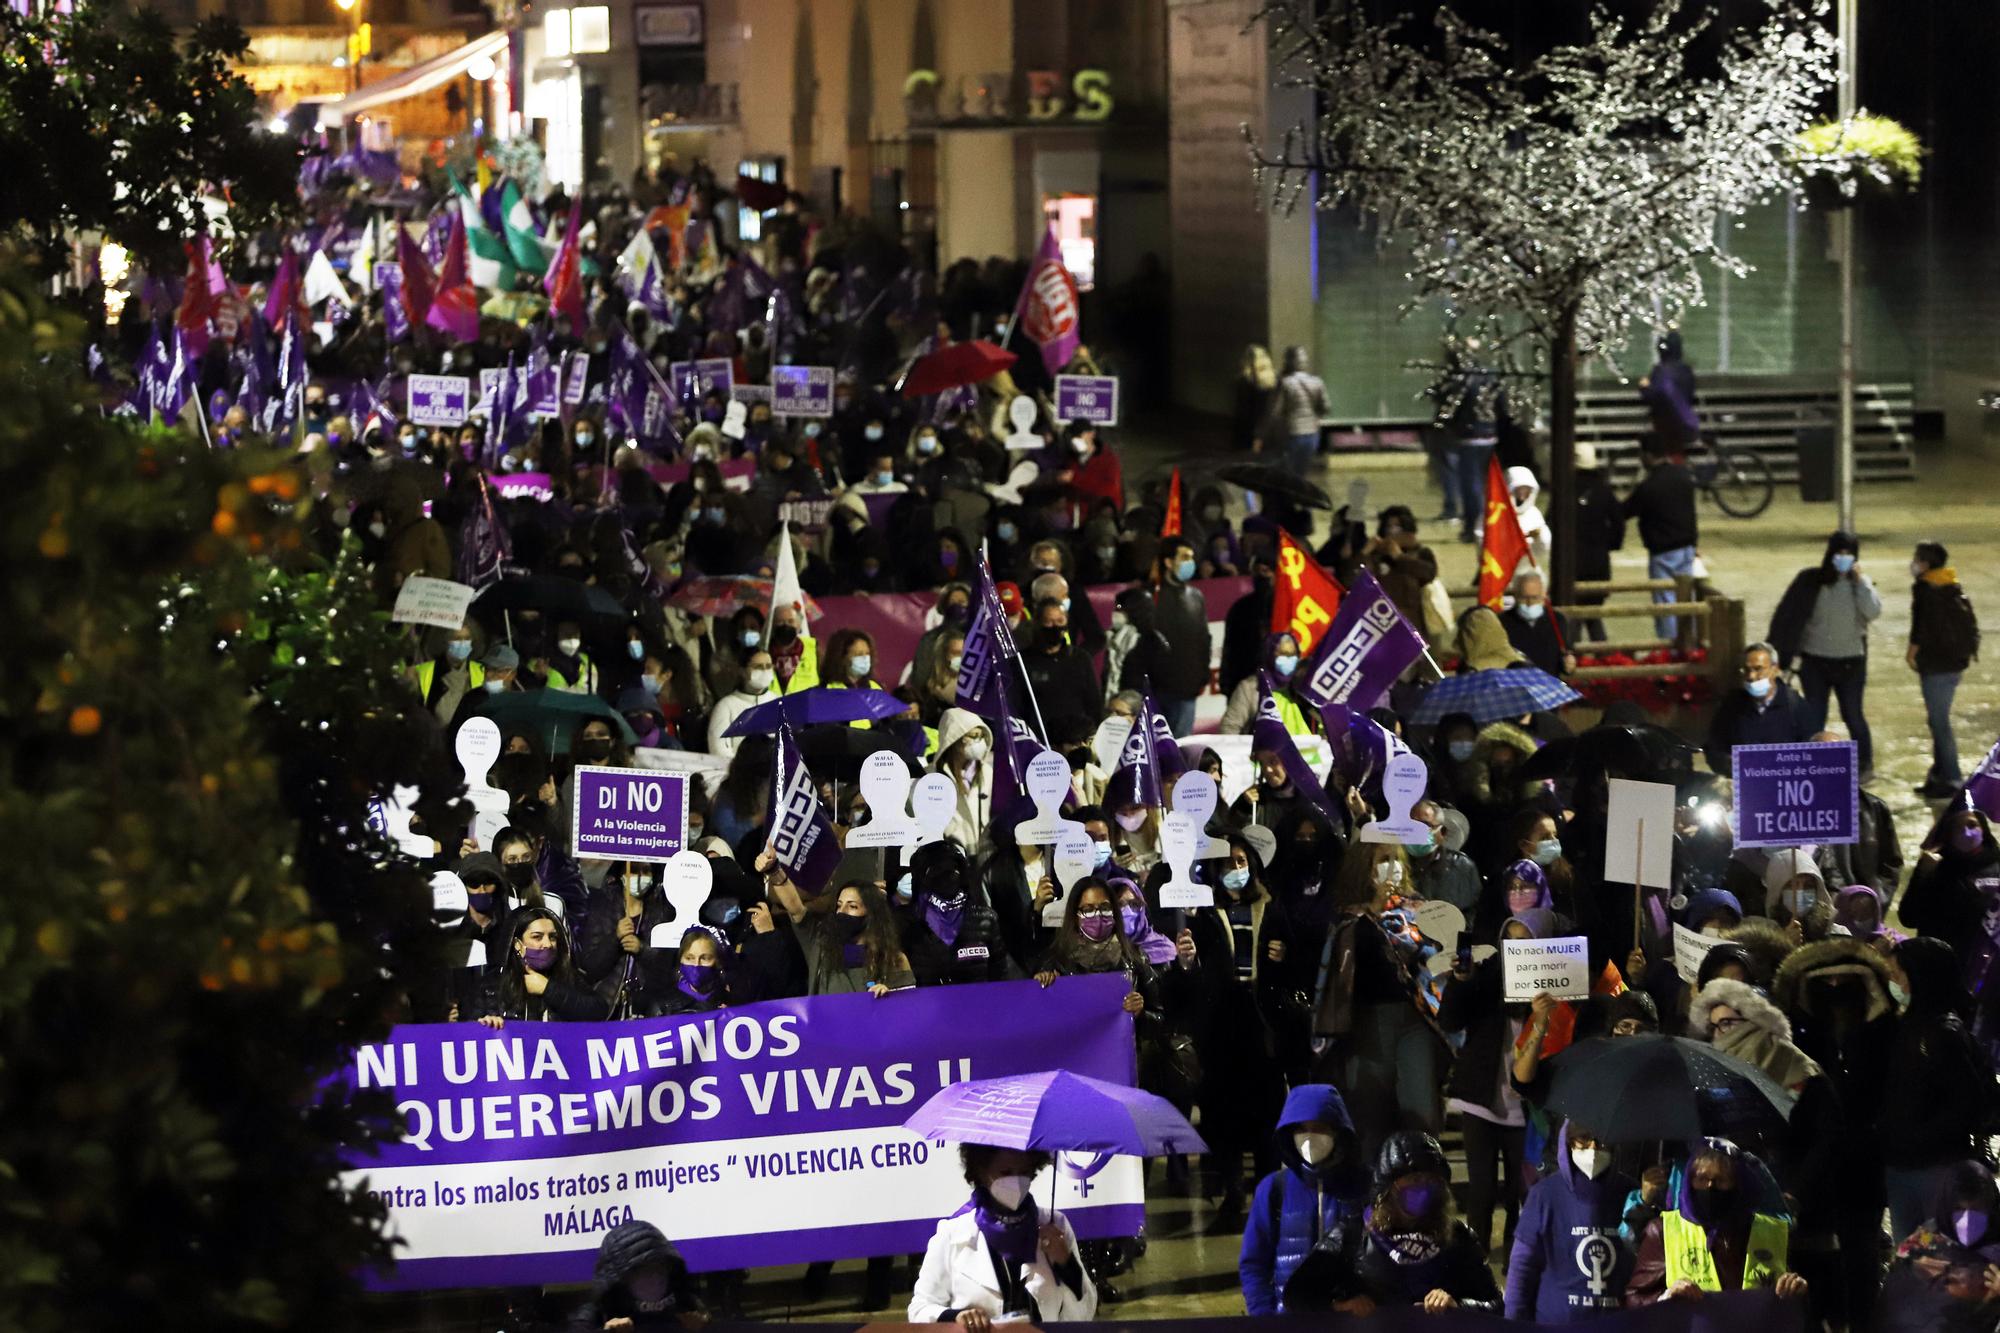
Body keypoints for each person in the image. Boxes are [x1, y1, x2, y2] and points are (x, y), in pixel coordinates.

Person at [1311, 840, 1440, 1159]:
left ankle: (1424, 1194)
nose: (1393, 867)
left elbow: (1434, 963)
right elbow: (1332, 978)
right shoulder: (1346, 917)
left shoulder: (1418, 910)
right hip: (1365, 1025)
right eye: (1384, 859)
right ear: (1364, 867)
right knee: (1370, 1119)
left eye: (1397, 859)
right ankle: (1376, 1202)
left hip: (1414, 1021)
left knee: (1421, 1115)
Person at [1282, 1131, 1502, 1314]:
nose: (1423, 1188)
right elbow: (1297, 1296)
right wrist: (1340, 1306)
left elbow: (1495, 1304)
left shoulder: (1458, 1238)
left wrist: (1458, 1305)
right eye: (1414, 1179)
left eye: (1430, 1180)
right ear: (1389, 1186)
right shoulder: (1353, 1235)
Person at [907, 1143, 1097, 1325]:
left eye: (1024, 1172)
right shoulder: (952, 1234)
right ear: (981, 1172)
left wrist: (1066, 1263)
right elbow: (919, 1309)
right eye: (1005, 1173)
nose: (1015, 1181)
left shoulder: (1056, 1226)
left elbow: (1085, 1311)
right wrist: (957, 1317)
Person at [1882, 938, 1994, 1240]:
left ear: (1919, 977)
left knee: (1944, 1257)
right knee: (1910, 1258)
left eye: (1896, 975)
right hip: (1901, 1165)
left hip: (1936, 1168)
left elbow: (1966, 1104)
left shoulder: (1943, 1033)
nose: (1892, 983)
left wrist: (1917, 1137)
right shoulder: (1901, 1025)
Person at [1624, 1139, 1809, 1304]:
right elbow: (1634, 1299)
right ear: (1689, 1182)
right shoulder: (1663, 1231)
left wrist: (1795, 1293)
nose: (1710, 1187)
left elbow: (1794, 1304)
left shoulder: (1769, 1231)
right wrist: (1665, 1298)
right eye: (1702, 1179)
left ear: (1737, 1185)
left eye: (1721, 1180)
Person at [1238, 1084, 1369, 1315]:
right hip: (1288, 1321)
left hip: (1351, 1318)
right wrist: (1264, 1316)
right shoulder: (1273, 1189)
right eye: (1301, 1129)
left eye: (1320, 1128)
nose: (1309, 1137)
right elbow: (1254, 1263)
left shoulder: (1365, 1185)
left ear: (1338, 1132)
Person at [1766, 531, 1881, 779]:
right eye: (1838, 553)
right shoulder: (1812, 582)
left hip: (1850, 664)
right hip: (1815, 662)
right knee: (1814, 716)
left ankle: (1864, 763)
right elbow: (1789, 616)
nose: (1843, 558)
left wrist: (1861, 582)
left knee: (1853, 714)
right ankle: (1810, 763)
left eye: (1848, 554)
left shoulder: (1860, 585)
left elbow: (1872, 612)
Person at [1504, 1122, 1637, 1322]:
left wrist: (1645, 1204)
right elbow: (1522, 1269)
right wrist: (1513, 1325)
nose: (1593, 1149)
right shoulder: (1544, 1195)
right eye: (1584, 1140)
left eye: (1601, 1142)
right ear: (1569, 1142)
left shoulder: (1631, 1194)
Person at [1877, 1161, 2000, 1333]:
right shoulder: (1924, 1238)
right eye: (1959, 1210)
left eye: (1977, 1212)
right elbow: (1896, 1301)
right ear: (1946, 1206)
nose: (1968, 1222)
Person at [1909, 541, 1980, 799]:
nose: (1914, 563)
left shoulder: (1926, 589)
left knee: (1940, 722)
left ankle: (1951, 777)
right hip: (1954, 664)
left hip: (1937, 666)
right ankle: (1938, 775)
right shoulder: (1951, 584)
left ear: (1926, 563)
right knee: (1936, 720)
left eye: (1917, 558)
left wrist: (1912, 652)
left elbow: (1922, 625)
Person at [470, 906, 610, 1024]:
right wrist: (486, 1025)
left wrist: (548, 989)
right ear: (517, 944)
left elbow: (599, 1010)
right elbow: (468, 1030)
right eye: (537, 937)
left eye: (552, 937)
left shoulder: (568, 977)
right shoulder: (491, 985)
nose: (548, 944)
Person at [1622, 434, 1699, 640]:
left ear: (1647, 456)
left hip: (1663, 551)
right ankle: (1690, 643)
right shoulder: (1684, 476)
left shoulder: (1649, 486)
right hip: (1687, 547)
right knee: (1686, 598)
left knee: (1665, 602)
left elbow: (1625, 511)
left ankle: (1671, 648)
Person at [564, 1219, 702, 1332]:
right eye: (643, 1271)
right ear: (622, 1278)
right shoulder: (594, 1317)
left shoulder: (685, 1307)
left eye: (661, 1268)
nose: (655, 1278)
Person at [1702, 643, 1811, 776]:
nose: (1751, 676)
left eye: (1758, 669)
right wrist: (1728, 765)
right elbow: (1714, 746)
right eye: (1747, 670)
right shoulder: (1732, 706)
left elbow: (1809, 753)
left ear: (1774, 669)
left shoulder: (1795, 705)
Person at [1150, 539, 1209, 736]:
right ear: (1168, 562)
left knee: (1180, 751)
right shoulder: (1152, 597)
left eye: (1191, 558)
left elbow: (1203, 639)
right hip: (1157, 690)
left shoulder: (1195, 597)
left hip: (1186, 690)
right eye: (1184, 557)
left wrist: (1201, 676)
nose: (1189, 562)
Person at [1571, 443, 1626, 644]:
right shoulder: (1603, 489)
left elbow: (1551, 522)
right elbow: (1618, 521)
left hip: (1571, 561)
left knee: (1572, 616)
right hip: (1598, 561)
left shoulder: (1566, 488)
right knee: (1593, 615)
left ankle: (1571, 661)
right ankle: (1602, 660)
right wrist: (1611, 544)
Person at [1500, 570, 1574, 677]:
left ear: (1544, 595)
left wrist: (1569, 664)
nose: (1529, 603)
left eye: (1534, 598)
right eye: (1524, 598)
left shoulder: (1557, 620)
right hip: (1516, 685)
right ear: (1515, 595)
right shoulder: (1503, 622)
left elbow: (1566, 657)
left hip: (1548, 686)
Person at [706, 649, 777, 760]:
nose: (764, 671)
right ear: (742, 671)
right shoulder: (725, 707)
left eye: (768, 666)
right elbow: (719, 752)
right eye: (758, 667)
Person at [1274, 345, 1328, 472]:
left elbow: (1278, 411)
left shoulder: (1286, 383)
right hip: (1312, 433)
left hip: (1293, 432)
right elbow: (1325, 407)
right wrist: (1317, 418)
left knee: (1289, 469)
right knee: (1302, 469)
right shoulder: (1317, 382)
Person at [1234, 344, 1280, 454]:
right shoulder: (1275, 378)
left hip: (1254, 430)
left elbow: (1245, 409)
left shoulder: (1245, 380)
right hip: (1271, 429)